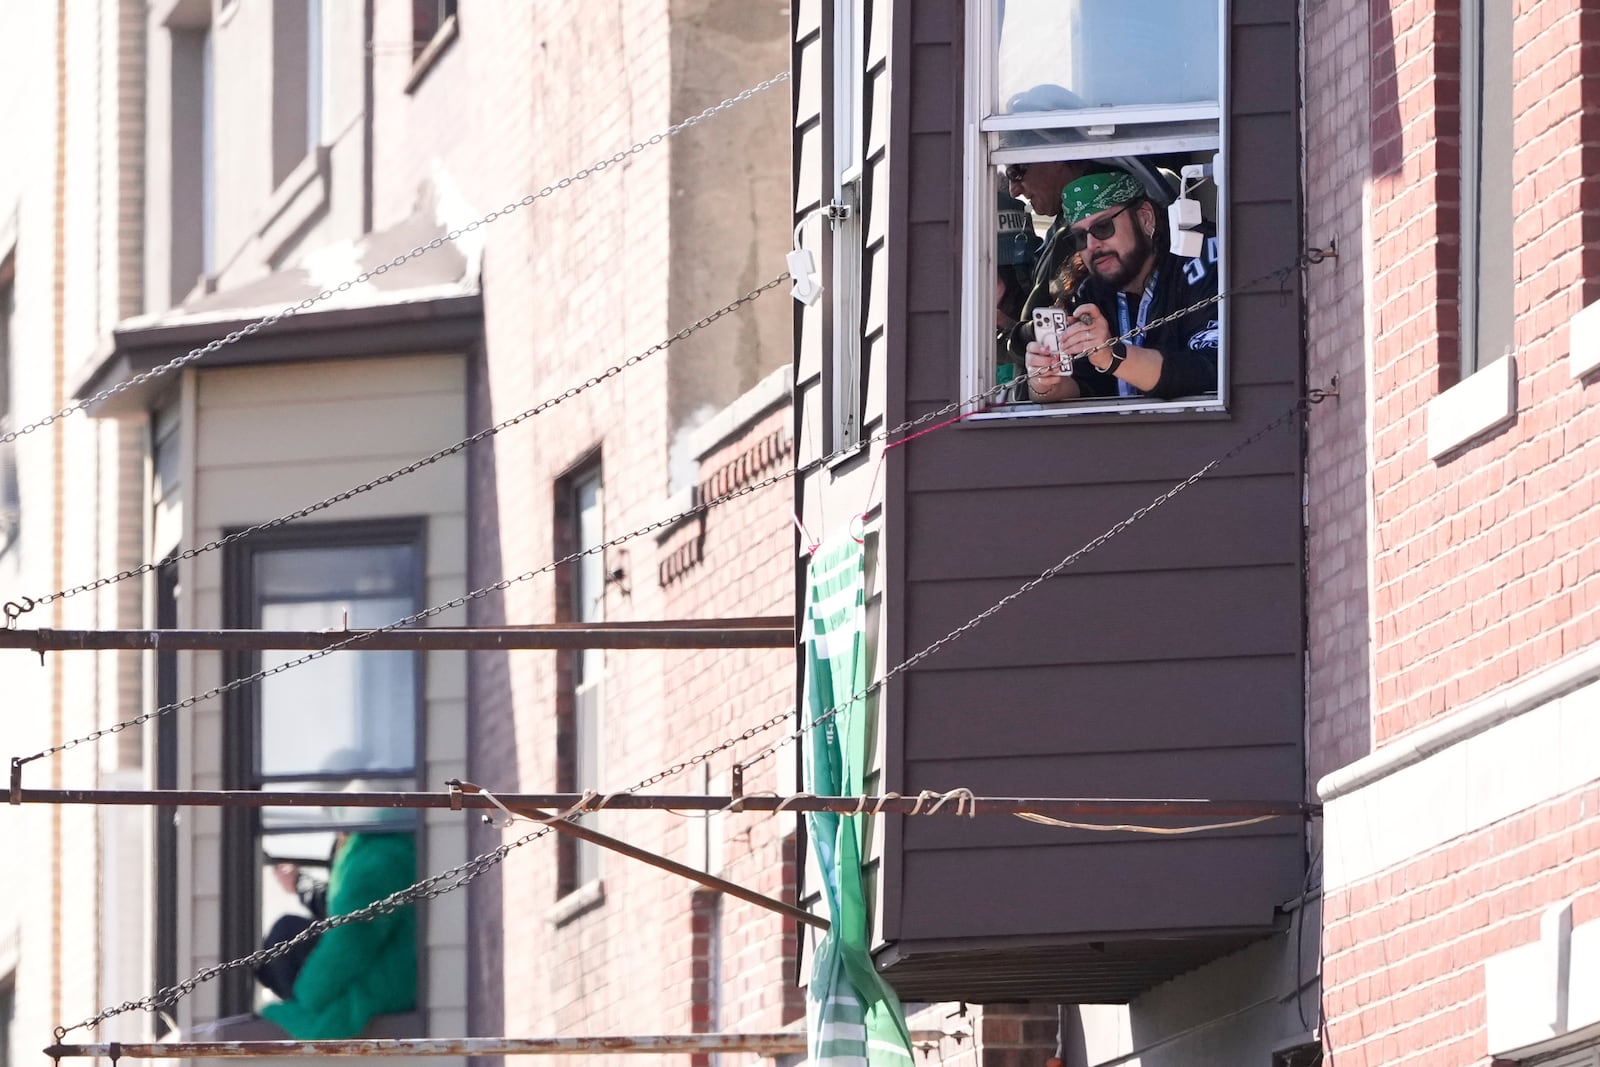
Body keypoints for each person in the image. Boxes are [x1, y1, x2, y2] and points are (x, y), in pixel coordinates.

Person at [1024, 169, 1219, 402]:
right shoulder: (1090, 292)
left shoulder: (1199, 258)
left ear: (1145, 218)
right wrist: (1043, 382)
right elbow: (1084, 386)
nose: (1092, 244)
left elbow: (1212, 371)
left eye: (1103, 226)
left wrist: (1112, 357)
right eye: (1079, 237)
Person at [254, 788, 419, 1040]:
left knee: (283, 937)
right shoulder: (387, 846)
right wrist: (299, 884)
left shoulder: (373, 859)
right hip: (394, 968)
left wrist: (307, 997)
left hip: (389, 980)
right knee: (280, 943)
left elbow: (352, 936)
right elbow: (347, 915)